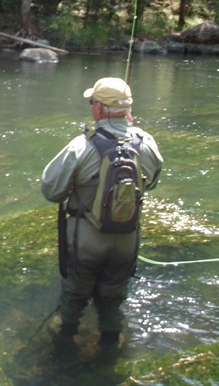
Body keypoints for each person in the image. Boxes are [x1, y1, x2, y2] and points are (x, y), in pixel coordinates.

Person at [42, 77, 163, 349]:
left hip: (86, 238)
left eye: (92, 101)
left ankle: (65, 343)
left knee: (74, 295)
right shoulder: (147, 142)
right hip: (127, 240)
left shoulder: (80, 146)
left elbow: (51, 191)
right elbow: (151, 182)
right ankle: (110, 346)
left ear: (99, 109)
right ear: (127, 109)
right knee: (112, 298)